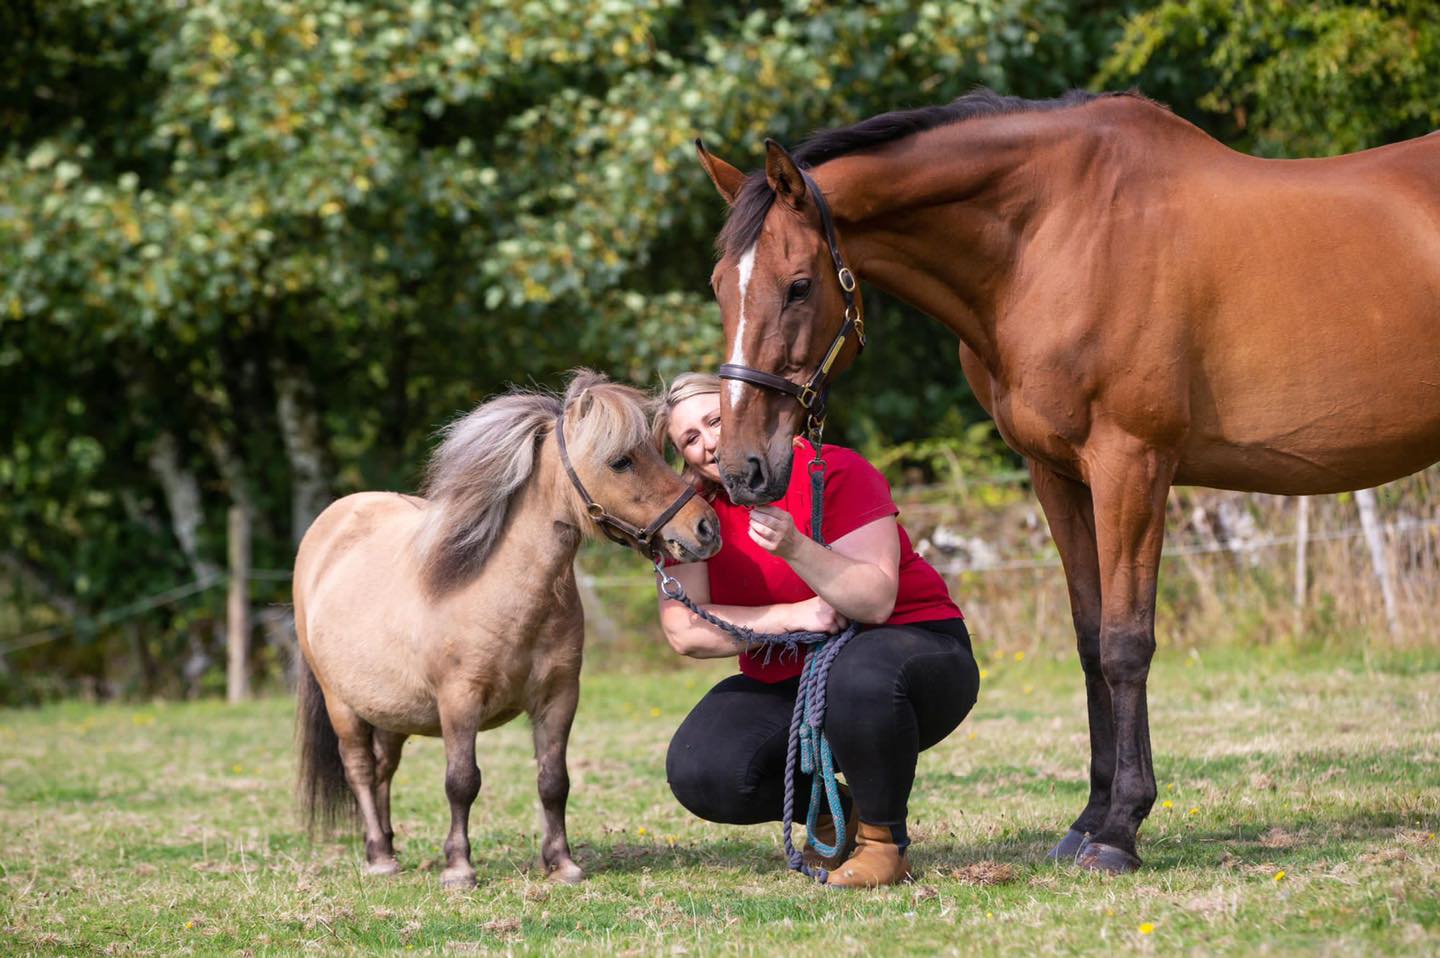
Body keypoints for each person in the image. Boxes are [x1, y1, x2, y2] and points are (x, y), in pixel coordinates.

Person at [653, 372, 980, 888]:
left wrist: (796, 548)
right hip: (795, 679)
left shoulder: (835, 468)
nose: (709, 442)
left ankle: (883, 845)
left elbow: (874, 601)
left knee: (858, 674)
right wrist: (794, 616)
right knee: (703, 768)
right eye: (690, 438)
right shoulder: (696, 515)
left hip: (913, 653)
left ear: (747, 414)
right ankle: (833, 813)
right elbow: (686, 630)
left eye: (716, 421)